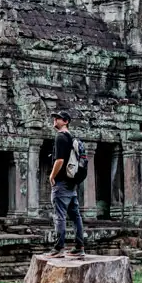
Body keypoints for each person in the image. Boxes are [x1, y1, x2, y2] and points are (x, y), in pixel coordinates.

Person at [47, 110, 85, 257]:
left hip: (62, 182)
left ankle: (58, 248)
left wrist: (52, 175)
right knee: (75, 215)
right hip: (71, 183)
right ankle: (79, 246)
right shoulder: (71, 137)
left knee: (60, 216)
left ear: (66, 121)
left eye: (58, 118)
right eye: (55, 118)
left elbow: (60, 160)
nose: (55, 120)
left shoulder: (61, 137)